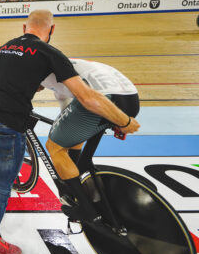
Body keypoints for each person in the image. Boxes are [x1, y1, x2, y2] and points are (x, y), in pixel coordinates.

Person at [0, 10, 140, 254]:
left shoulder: (5, 47)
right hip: (6, 127)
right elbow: (86, 97)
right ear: (52, 30)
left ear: (23, 28)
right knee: (2, 186)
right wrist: (124, 121)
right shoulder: (50, 54)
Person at [40, 58, 139, 218]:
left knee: (55, 147)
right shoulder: (60, 68)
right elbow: (66, 109)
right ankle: (82, 174)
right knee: (72, 135)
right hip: (130, 98)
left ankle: (85, 209)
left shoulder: (37, 71)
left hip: (104, 100)